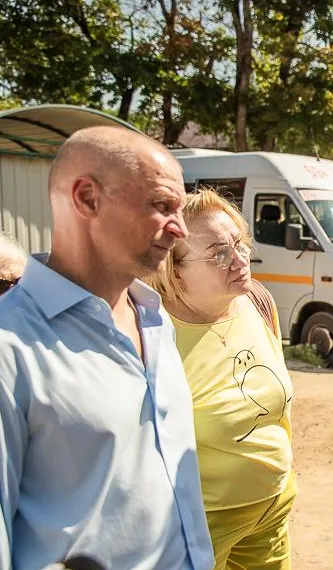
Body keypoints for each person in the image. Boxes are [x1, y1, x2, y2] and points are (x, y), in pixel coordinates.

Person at [0, 126, 213, 569]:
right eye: (161, 206)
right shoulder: (10, 347)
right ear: (87, 199)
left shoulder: (154, 320)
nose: (179, 229)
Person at [147, 189, 297, 570]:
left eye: (239, 244)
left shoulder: (258, 302)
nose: (241, 260)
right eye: (219, 254)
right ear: (173, 269)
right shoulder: (149, 333)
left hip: (272, 509)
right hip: (196, 526)